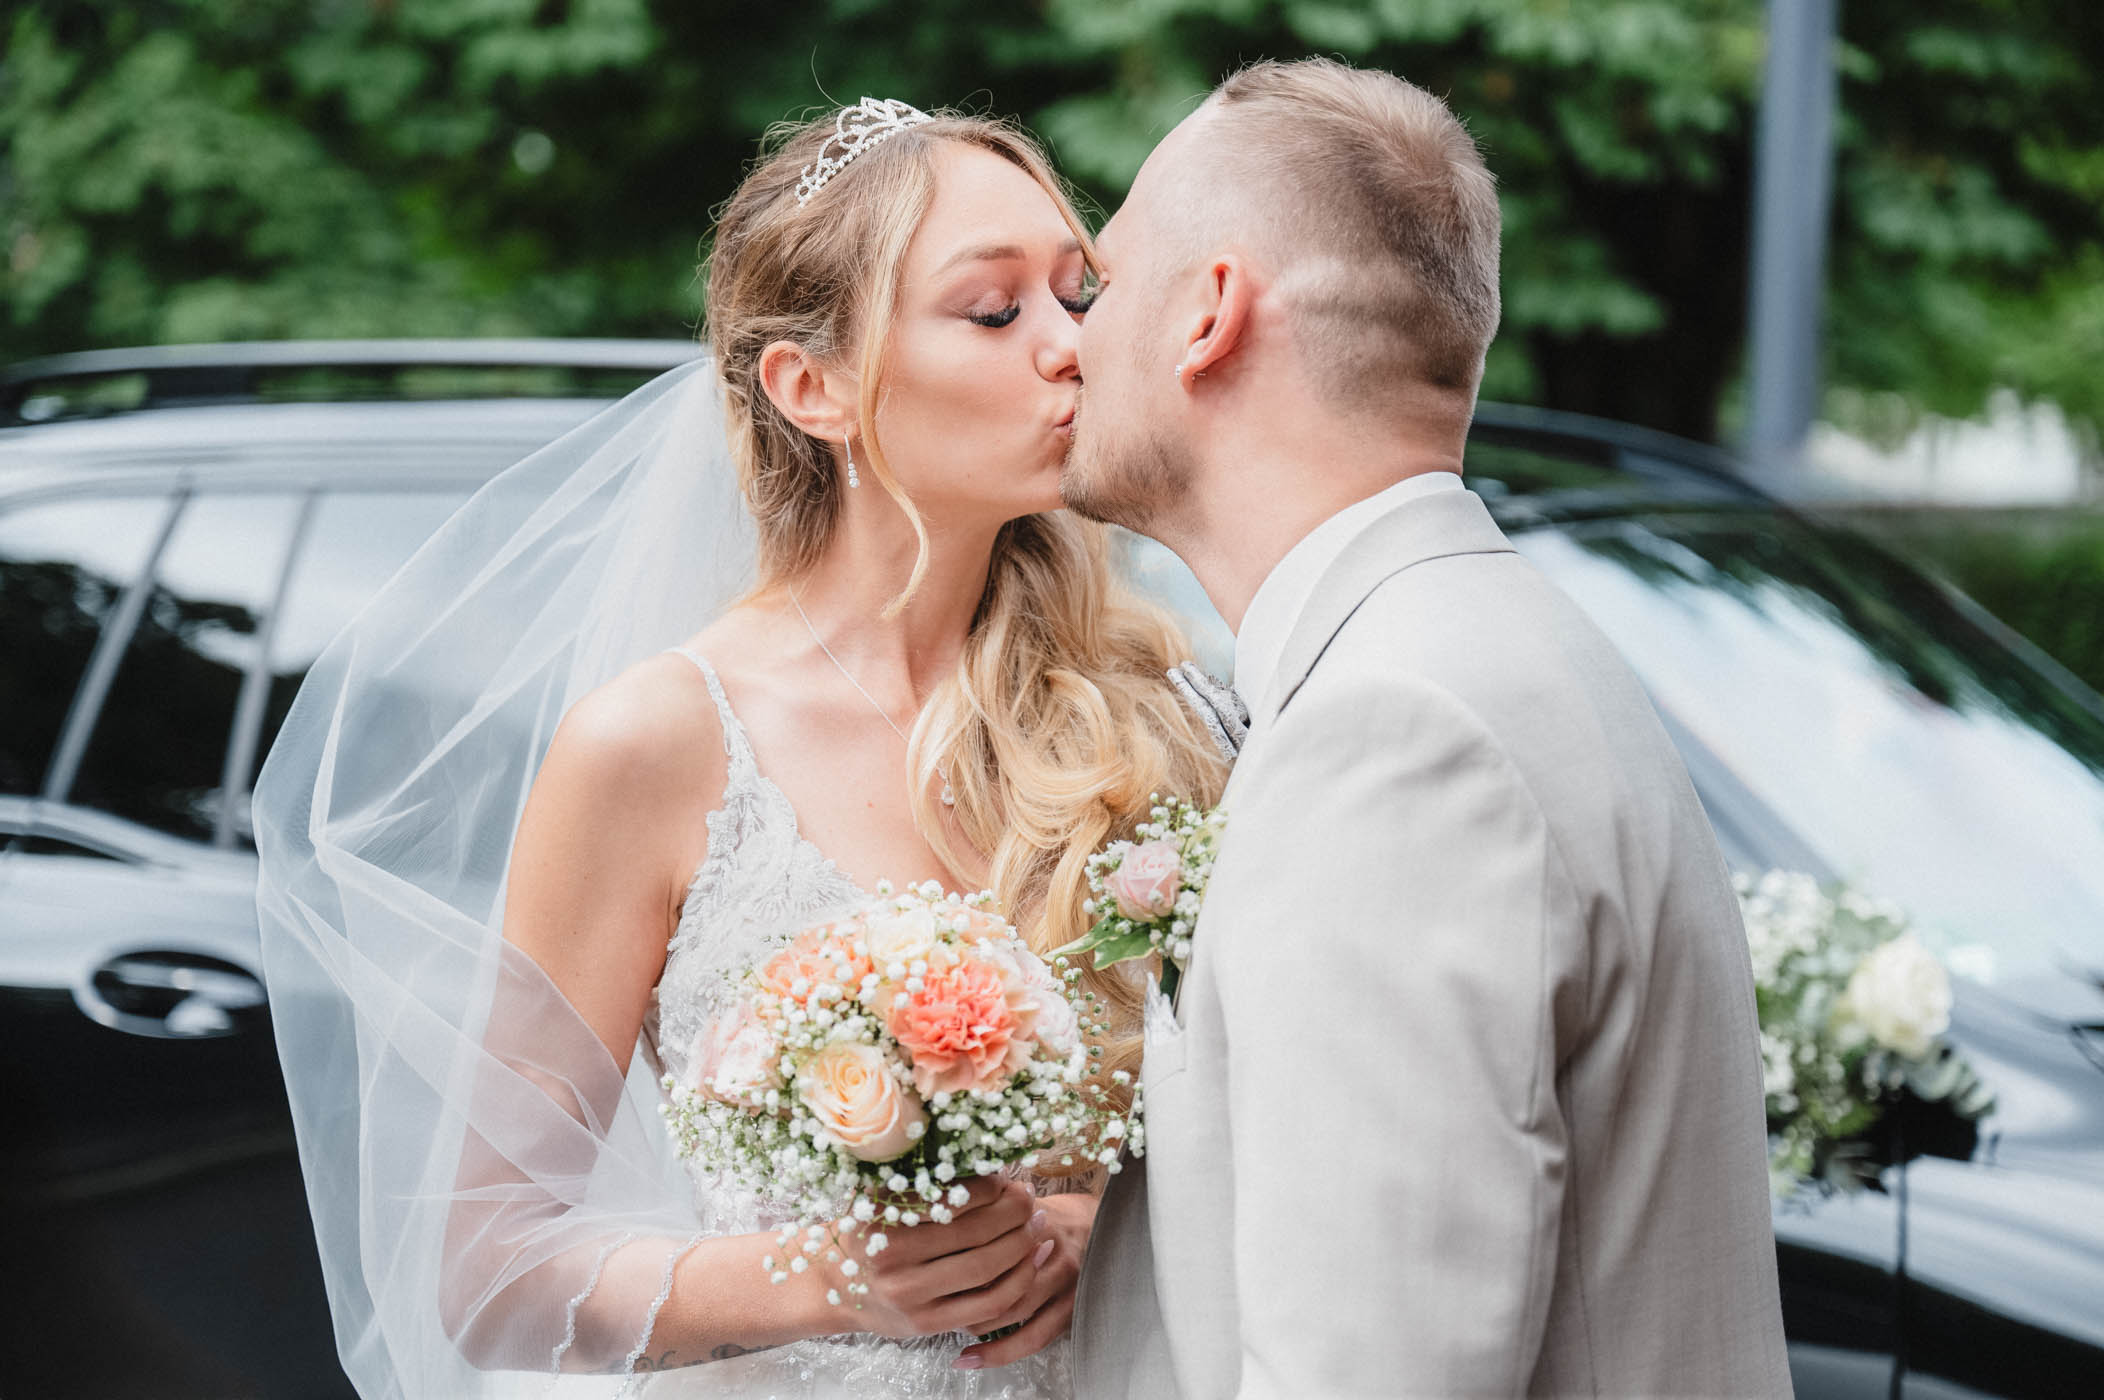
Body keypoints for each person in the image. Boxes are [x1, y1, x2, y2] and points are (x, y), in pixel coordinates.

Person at [253, 97, 1227, 1398]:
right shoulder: (657, 746)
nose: (1073, 349)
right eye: (995, 313)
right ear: (811, 387)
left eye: (1080, 294)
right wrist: (831, 1276)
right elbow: (485, 1274)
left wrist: (1109, 1233)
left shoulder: (1159, 707)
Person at [1062, 57, 1793, 1398]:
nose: (1070, 342)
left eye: (1102, 286)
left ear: (1209, 313)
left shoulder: (1393, 740)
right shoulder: (1501, 651)